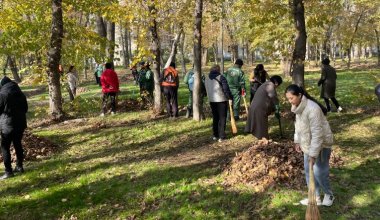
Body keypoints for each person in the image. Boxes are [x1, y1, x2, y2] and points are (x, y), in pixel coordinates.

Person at [285, 84, 335, 207]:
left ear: (300, 95)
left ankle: (329, 194)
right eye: (288, 99)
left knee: (319, 172)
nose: (290, 101)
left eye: (291, 98)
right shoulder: (298, 107)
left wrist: (313, 154)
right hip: (308, 144)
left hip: (321, 144)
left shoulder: (313, 109)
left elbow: (318, 134)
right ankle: (315, 196)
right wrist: (297, 141)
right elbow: (298, 127)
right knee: (308, 171)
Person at [0, 76, 28, 180]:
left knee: (5, 147)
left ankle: (8, 172)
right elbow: (25, 109)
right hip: (20, 124)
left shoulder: (3, 94)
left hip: (7, 125)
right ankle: (19, 166)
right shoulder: (20, 93)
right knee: (18, 144)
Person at [244, 75, 282, 140]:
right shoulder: (270, 85)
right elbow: (273, 97)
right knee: (261, 124)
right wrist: (277, 107)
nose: (277, 87)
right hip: (259, 107)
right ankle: (263, 138)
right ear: (276, 83)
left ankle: (261, 136)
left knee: (260, 122)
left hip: (256, 106)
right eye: (278, 86)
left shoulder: (266, 83)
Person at [205, 64, 233, 142]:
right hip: (221, 100)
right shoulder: (221, 77)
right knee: (222, 117)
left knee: (215, 117)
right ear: (218, 70)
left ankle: (215, 135)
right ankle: (222, 136)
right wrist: (230, 98)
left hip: (211, 100)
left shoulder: (207, 78)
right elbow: (226, 89)